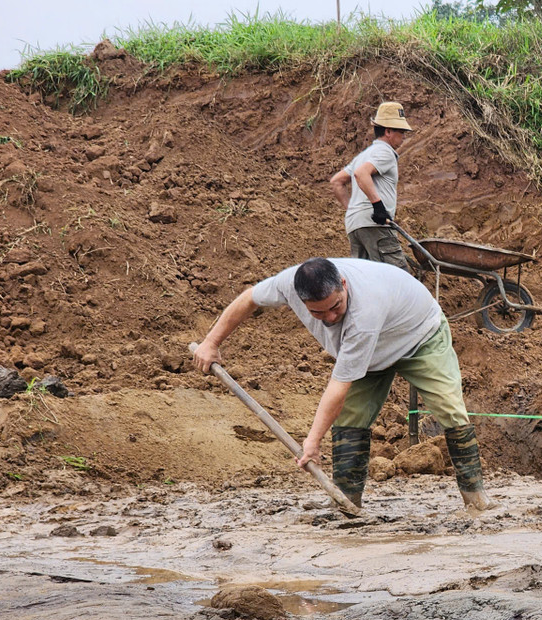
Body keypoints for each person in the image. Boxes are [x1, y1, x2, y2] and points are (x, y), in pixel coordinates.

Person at [192, 257, 492, 511]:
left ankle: (476, 500)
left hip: (418, 336)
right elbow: (249, 298)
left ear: (344, 285)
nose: (330, 317)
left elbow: (338, 388)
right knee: (350, 420)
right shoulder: (287, 284)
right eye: (317, 313)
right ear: (300, 300)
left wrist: (312, 441)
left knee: (449, 409)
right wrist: (211, 342)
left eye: (336, 306)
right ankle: (346, 505)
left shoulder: (365, 312)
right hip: (369, 354)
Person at [329, 101, 412, 271]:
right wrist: (378, 207)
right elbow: (361, 173)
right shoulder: (385, 152)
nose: (404, 136)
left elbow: (337, 181)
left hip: (355, 227)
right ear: (388, 131)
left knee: (366, 278)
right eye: (401, 132)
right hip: (375, 226)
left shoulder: (364, 155)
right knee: (397, 277)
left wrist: (353, 210)